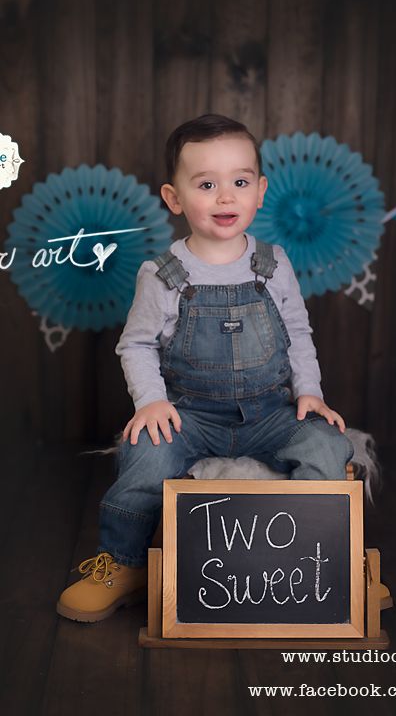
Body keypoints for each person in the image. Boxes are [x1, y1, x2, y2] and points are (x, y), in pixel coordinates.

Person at [56, 113, 354, 622]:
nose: (225, 197)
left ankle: (323, 566)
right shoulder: (163, 274)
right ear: (174, 198)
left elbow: (299, 335)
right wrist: (151, 402)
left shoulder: (274, 262)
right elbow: (137, 345)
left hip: (270, 411)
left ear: (260, 191)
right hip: (190, 415)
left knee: (327, 446)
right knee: (144, 456)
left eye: (239, 183)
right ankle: (122, 562)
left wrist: (310, 391)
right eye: (206, 184)